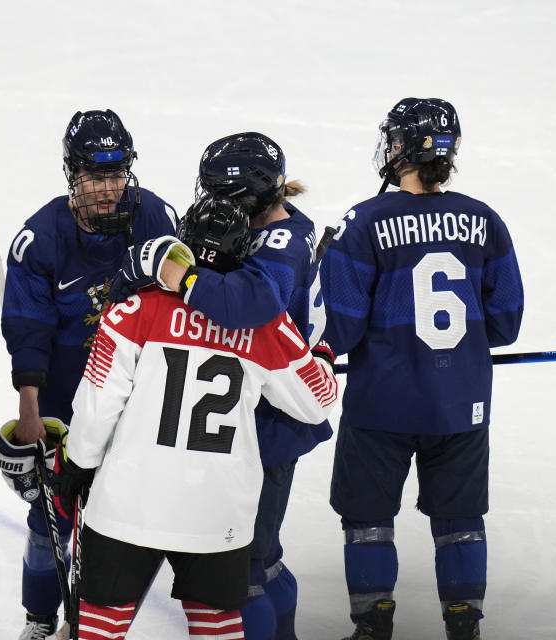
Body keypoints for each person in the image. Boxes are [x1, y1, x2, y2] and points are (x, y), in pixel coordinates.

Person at [49, 196, 339, 640]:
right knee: (216, 627)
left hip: (129, 502)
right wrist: (318, 352)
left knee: (99, 628)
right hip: (217, 512)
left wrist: (79, 463)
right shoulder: (265, 325)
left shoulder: (134, 310)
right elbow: (317, 401)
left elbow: (97, 402)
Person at [111, 132, 331, 639]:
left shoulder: (280, 245)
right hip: (256, 410)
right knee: (263, 560)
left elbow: (246, 308)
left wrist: (179, 278)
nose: (211, 201)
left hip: (271, 422)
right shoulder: (274, 228)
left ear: (250, 195)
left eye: (221, 192)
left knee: (247, 571)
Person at [319, 98, 524, 640]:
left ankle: (372, 626)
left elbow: (338, 330)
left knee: (367, 521)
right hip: (461, 403)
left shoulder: (362, 221)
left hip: (380, 403)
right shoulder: (485, 221)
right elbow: (506, 324)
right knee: (459, 523)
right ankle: (464, 626)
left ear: (403, 148)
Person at [0, 109, 178, 639]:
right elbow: (27, 328)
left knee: (118, 520)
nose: (108, 189)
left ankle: (93, 623)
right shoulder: (41, 238)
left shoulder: (157, 220)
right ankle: (37, 619)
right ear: (72, 176)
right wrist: (30, 406)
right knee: (48, 521)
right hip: (65, 399)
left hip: (138, 400)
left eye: (116, 174)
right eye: (95, 177)